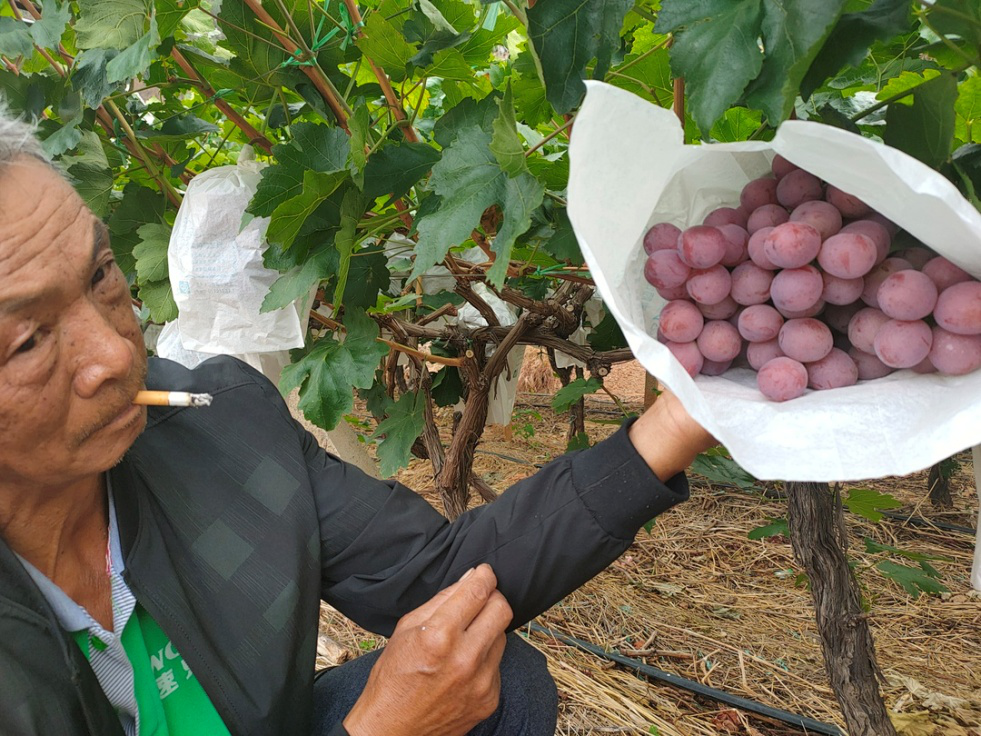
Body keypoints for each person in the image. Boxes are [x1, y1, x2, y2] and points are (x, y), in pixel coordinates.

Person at [0, 111, 715, 736]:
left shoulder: (219, 426)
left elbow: (440, 578)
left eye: (100, 278)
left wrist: (671, 427)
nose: (114, 353)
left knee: (499, 684)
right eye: (27, 340)